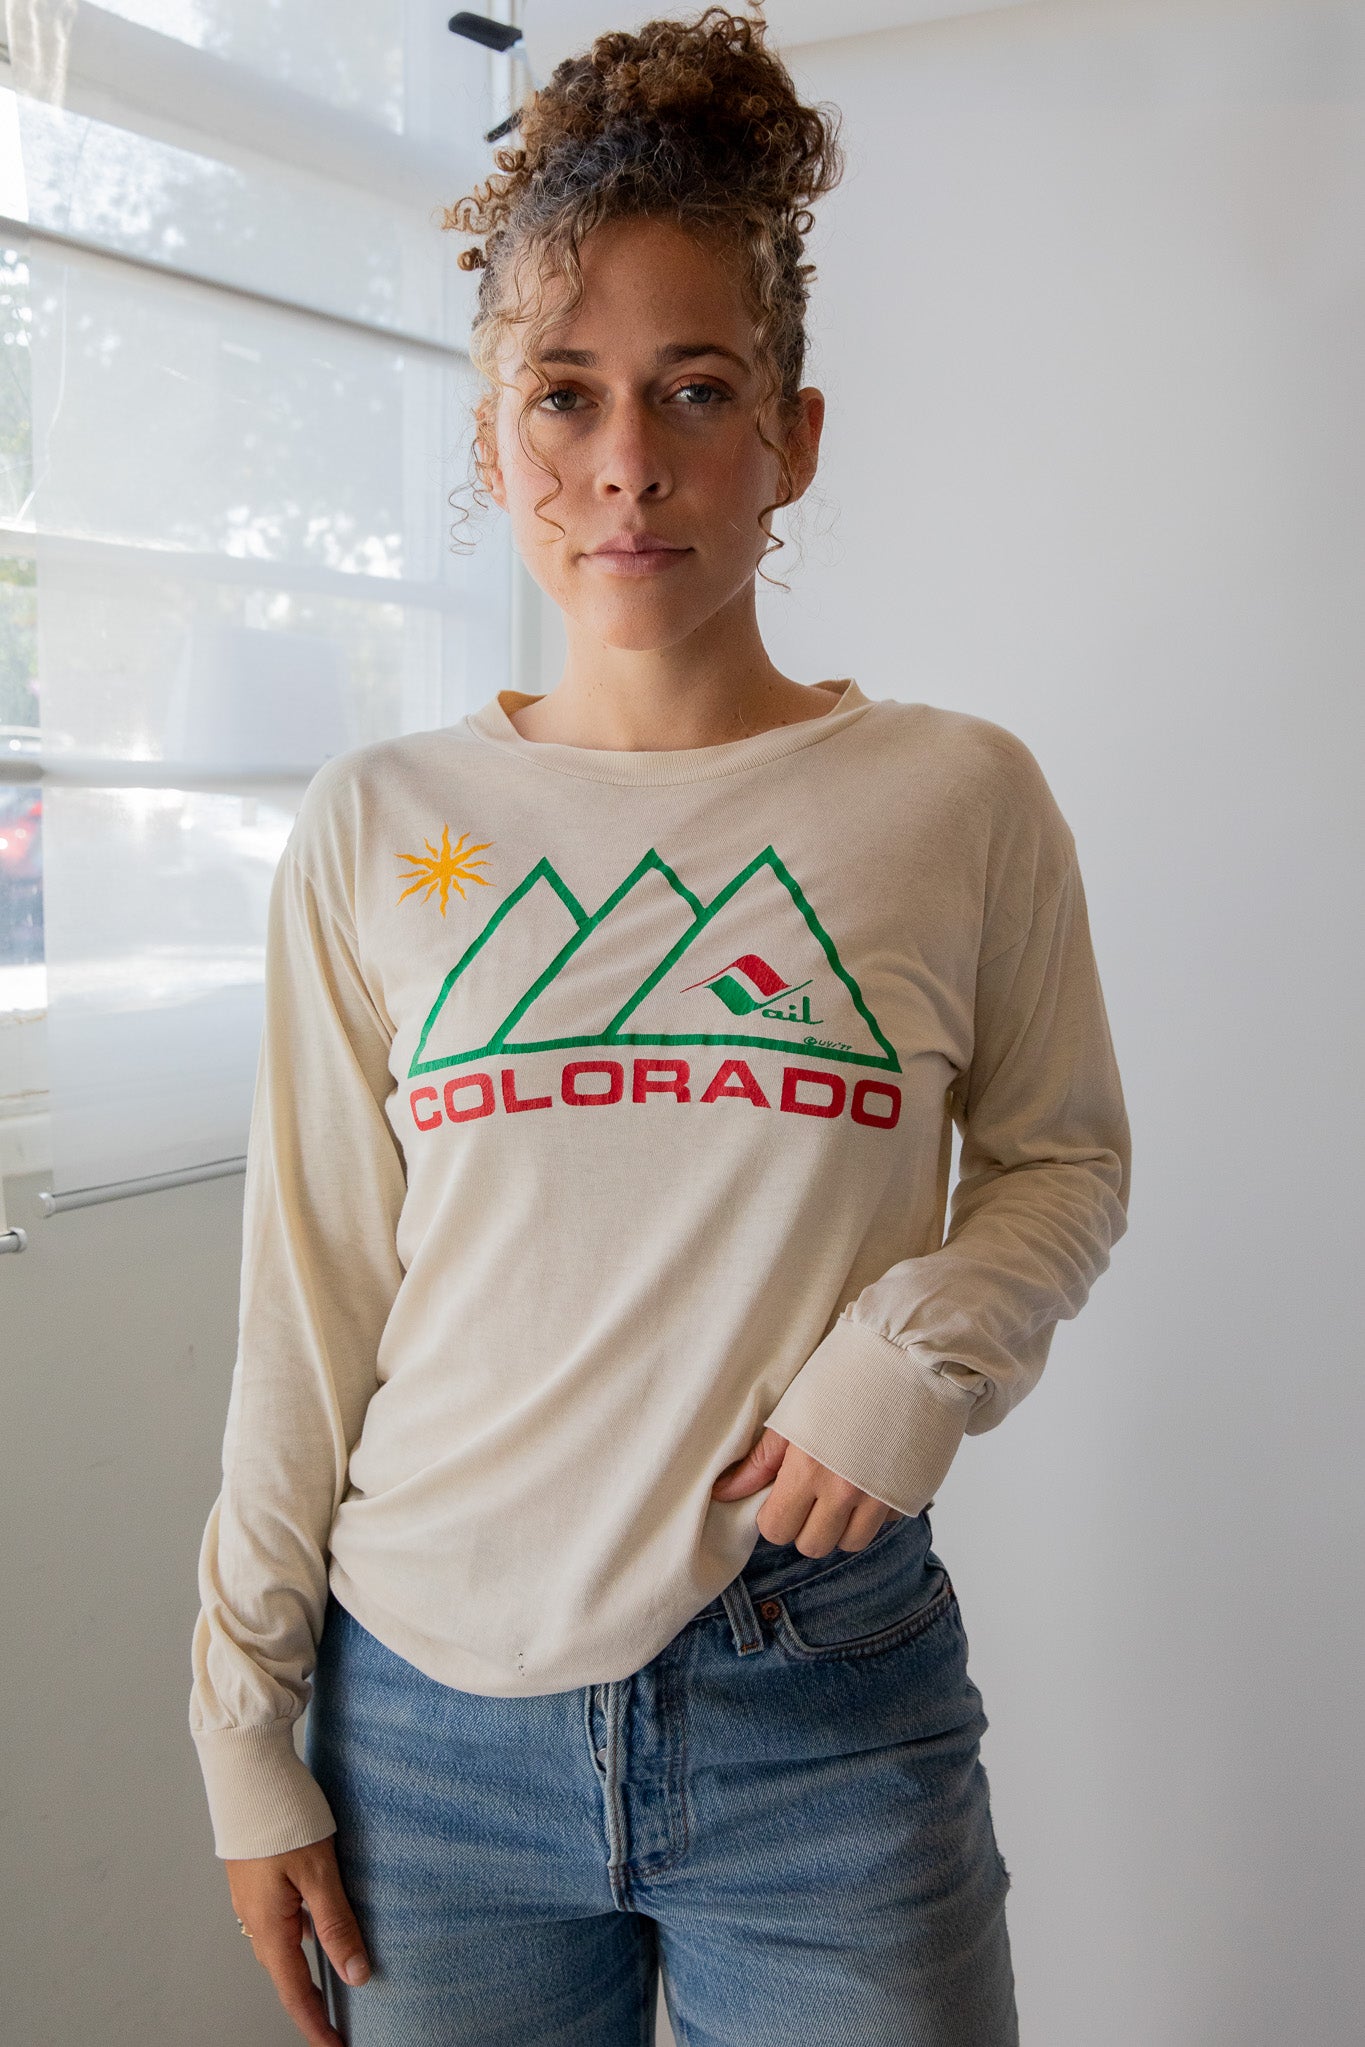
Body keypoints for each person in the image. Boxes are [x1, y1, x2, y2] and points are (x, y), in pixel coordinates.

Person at [188, 10, 1131, 2044]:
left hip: (820, 1705)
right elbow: (309, 1302)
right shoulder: (378, 823)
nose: (626, 461)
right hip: (422, 1728)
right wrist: (241, 1723)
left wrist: (916, 1353)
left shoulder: (951, 798)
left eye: (696, 391)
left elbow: (1062, 1159)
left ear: (794, 437)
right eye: (565, 393)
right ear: (489, 441)